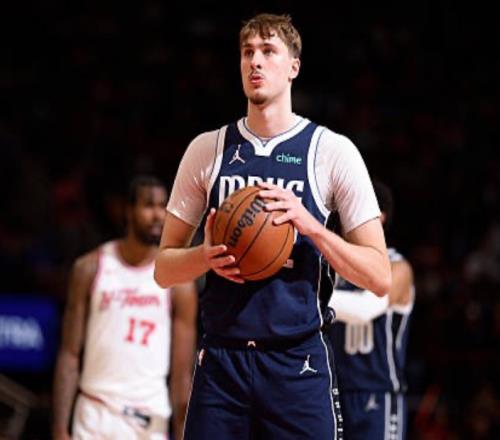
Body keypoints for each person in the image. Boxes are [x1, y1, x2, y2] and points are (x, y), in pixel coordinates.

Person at [154, 13, 391, 440]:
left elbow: (379, 276)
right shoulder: (207, 149)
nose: (255, 62)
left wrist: (312, 227)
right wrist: (204, 258)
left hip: (297, 363)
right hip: (222, 363)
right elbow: (163, 269)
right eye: (247, 52)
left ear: (294, 66)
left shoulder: (332, 152)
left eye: (268, 51)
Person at [52, 175, 198, 440]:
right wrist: (60, 429)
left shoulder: (179, 283)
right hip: (94, 413)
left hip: (149, 421)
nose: (158, 215)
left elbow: (182, 376)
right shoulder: (90, 268)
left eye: (163, 206)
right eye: (148, 205)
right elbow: (69, 354)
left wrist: (182, 433)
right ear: (128, 211)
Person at [325, 180, 415, 439]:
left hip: (378, 394)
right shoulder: (332, 266)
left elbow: (365, 309)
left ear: (379, 218)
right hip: (333, 391)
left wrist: (306, 297)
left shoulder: (398, 267)